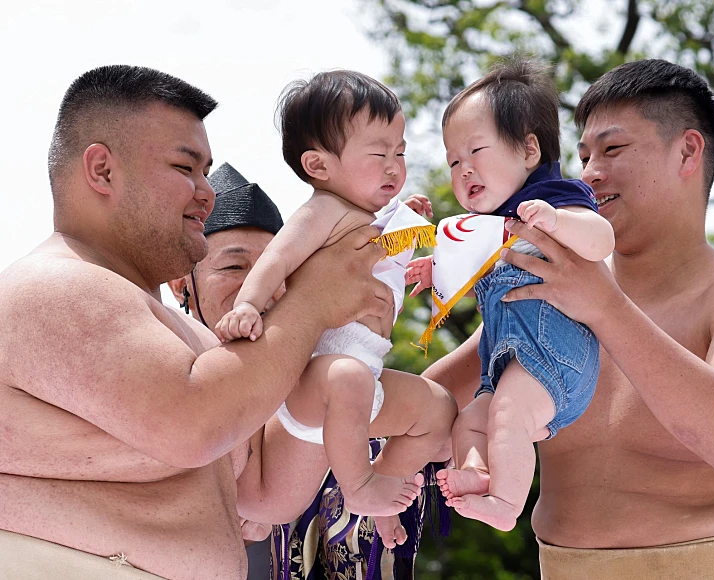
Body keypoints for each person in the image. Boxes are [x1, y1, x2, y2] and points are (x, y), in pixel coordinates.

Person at [0, 65, 395, 580]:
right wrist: (314, 298)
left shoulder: (192, 338)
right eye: (185, 168)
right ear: (101, 170)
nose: (206, 192)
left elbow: (262, 488)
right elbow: (192, 424)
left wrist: (350, 343)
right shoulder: (52, 286)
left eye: (205, 171)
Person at [422, 59, 714, 579]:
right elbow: (430, 408)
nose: (589, 173)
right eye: (583, 155)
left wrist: (605, 306)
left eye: (613, 149)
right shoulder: (545, 285)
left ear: (688, 151)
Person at [168, 162, 446, 580]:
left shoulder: (330, 377)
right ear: (181, 284)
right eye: (233, 267)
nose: (261, 288)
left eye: (281, 272)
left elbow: (447, 406)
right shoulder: (168, 361)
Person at [214, 70, 456, 528]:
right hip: (318, 384)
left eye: (400, 152)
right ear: (319, 166)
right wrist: (247, 303)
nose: (394, 166)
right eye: (378, 153)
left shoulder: (369, 220)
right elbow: (276, 259)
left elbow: (374, 264)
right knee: (348, 377)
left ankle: (383, 490)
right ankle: (359, 487)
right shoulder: (322, 210)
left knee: (439, 409)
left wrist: (409, 229)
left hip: (368, 376)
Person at [405, 57, 614, 532]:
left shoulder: (555, 198)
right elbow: (464, 271)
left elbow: (602, 241)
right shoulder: (484, 230)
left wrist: (556, 222)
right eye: (453, 160)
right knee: (472, 419)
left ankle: (506, 503)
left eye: (476, 150)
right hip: (507, 361)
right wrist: (432, 267)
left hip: (560, 354)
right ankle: (478, 473)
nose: (464, 169)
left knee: (505, 412)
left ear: (528, 150)